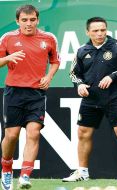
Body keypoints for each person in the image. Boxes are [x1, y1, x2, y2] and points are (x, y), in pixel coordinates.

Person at [62, 17, 117, 183]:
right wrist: (80, 85)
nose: (100, 33)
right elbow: (74, 74)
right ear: (87, 32)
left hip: (113, 99)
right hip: (90, 100)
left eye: (103, 30)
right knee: (83, 133)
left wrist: (114, 76)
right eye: (96, 30)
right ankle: (82, 172)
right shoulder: (82, 50)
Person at [0, 4, 60, 190]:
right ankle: (7, 169)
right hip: (13, 92)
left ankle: (25, 176)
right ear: (17, 21)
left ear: (38, 20)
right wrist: (7, 59)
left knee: (33, 133)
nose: (29, 24)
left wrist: (49, 77)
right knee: (12, 135)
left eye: (32, 20)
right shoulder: (7, 38)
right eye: (24, 20)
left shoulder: (48, 38)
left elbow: (55, 61)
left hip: (36, 93)